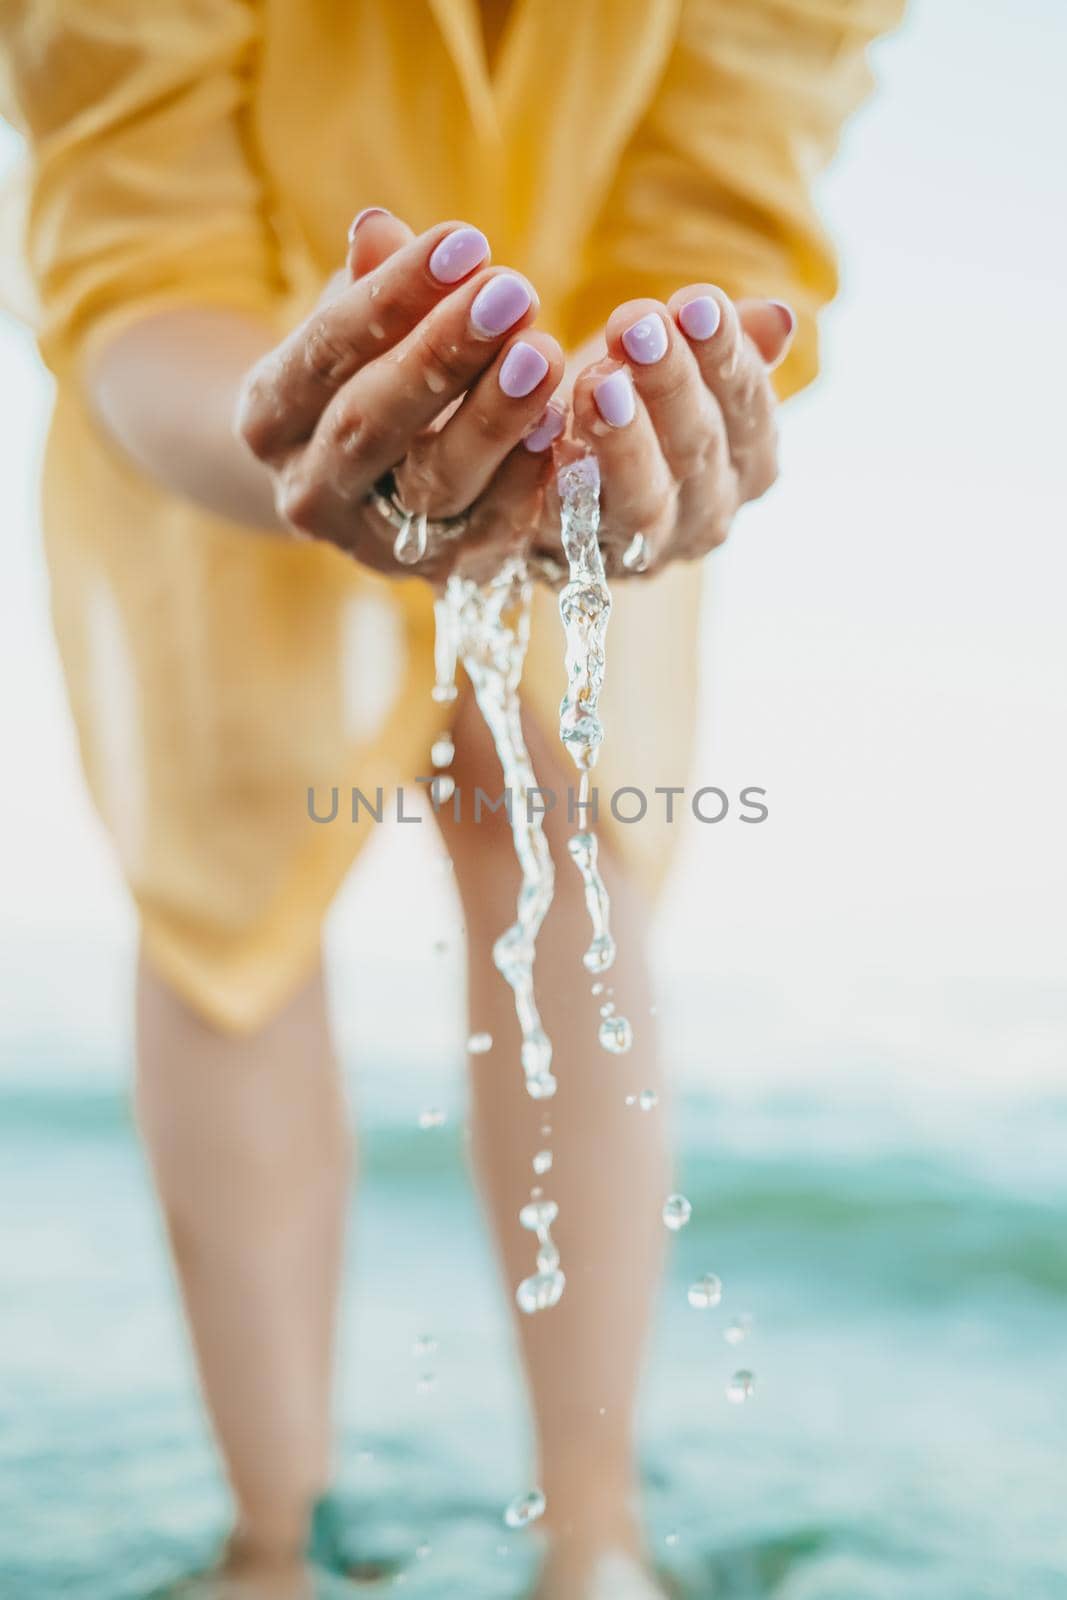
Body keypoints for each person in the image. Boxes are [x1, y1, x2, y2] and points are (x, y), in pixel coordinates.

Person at [0, 2, 902, 1595]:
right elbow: (133, 236)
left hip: (591, 424)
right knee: (229, 906)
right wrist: (296, 423)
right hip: (224, 413)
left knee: (561, 821)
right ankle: (271, 1538)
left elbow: (725, 192)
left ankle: (592, 1531)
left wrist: (658, 402)